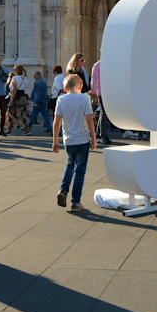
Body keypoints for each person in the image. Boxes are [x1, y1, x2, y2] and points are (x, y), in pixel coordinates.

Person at [52, 74, 96, 213]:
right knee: (80, 171)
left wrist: (55, 141)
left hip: (69, 140)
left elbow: (56, 122)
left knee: (70, 164)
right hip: (82, 139)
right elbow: (89, 119)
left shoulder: (61, 99)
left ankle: (63, 190)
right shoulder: (84, 98)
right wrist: (94, 138)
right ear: (81, 86)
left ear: (65, 88)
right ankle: (75, 202)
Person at [91, 58, 112, 144]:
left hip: (107, 92)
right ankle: (103, 135)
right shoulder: (98, 65)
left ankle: (99, 133)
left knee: (104, 112)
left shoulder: (109, 65)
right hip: (101, 93)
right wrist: (94, 95)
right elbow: (94, 81)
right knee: (104, 113)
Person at [8, 64, 32, 135]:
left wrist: (11, 99)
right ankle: (27, 129)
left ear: (17, 70)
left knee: (10, 113)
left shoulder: (14, 78)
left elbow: (14, 89)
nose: (13, 71)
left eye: (14, 69)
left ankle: (9, 129)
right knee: (24, 114)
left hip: (16, 98)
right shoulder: (24, 78)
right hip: (23, 98)